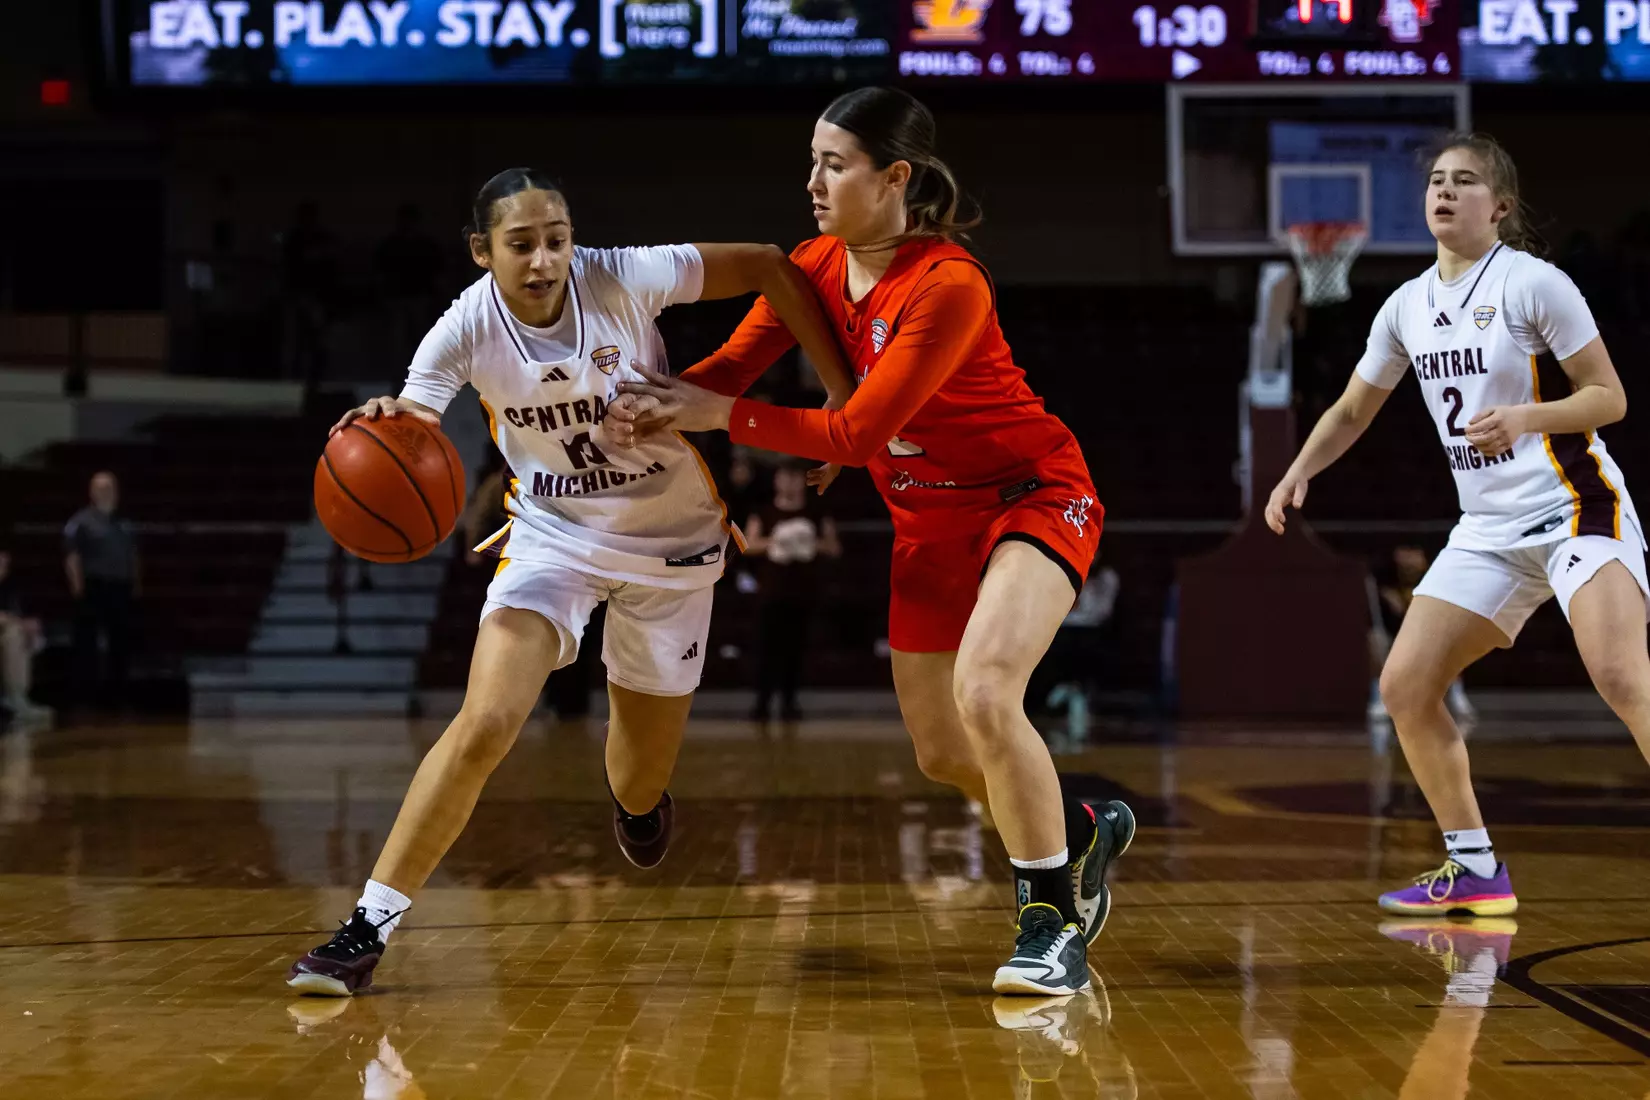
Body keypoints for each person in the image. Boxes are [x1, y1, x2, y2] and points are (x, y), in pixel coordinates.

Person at [607, 88, 1136, 996]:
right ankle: (1077, 832)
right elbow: (725, 371)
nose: (812, 181)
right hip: (926, 523)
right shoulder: (812, 265)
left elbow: (849, 434)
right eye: (811, 160)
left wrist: (722, 417)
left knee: (985, 690)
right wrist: (615, 409)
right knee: (939, 752)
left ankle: (1050, 919)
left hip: (1031, 498)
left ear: (896, 178)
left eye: (834, 164)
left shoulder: (949, 283)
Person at [286, 168, 852, 996]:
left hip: (672, 543)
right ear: (483, 252)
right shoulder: (462, 329)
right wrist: (388, 422)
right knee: (484, 723)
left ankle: (638, 803)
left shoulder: (622, 273)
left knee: (638, 777)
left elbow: (772, 263)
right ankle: (366, 926)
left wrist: (841, 394)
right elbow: (413, 424)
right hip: (552, 539)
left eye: (557, 237)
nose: (545, 258)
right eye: (522, 244)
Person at [1265, 133, 1649, 917]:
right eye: (1437, 180)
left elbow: (1609, 398)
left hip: (1576, 503)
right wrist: (1299, 468)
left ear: (1499, 206)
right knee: (1406, 687)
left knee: (1618, 674)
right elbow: (1350, 410)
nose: (1445, 191)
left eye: (1465, 181)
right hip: (1487, 527)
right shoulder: (1406, 304)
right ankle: (1474, 870)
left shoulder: (1535, 283)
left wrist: (1525, 418)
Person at [744, 462, 841, 721]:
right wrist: (776, 541)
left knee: (795, 650)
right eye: (785, 477)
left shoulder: (816, 511)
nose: (789, 483)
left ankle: (789, 702)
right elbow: (748, 544)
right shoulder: (764, 512)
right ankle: (762, 703)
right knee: (766, 648)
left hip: (803, 592)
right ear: (777, 480)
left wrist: (810, 544)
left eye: (795, 478)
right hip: (771, 592)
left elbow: (833, 546)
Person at [1369, 546, 1475, 726]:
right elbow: (1378, 621)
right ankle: (1380, 698)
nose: (1408, 560)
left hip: (1428, 636)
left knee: (1455, 640)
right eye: (1404, 553)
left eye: (1413, 554)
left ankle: (1457, 696)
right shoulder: (1384, 582)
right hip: (1396, 636)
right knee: (1375, 641)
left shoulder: (1436, 578)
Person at [64, 471, 139, 711]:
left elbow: (134, 556)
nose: (107, 492)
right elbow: (72, 557)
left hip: (121, 587)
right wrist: (78, 590)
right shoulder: (80, 522)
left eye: (111, 488)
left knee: (121, 643)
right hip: (94, 587)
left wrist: (136, 584)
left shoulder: (126, 523)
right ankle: (85, 697)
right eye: (102, 488)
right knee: (87, 645)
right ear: (92, 492)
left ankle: (118, 695)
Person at [0, 548, 51, 728]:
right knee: (15, 632)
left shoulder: (9, 589)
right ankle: (15, 698)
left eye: (5, 565)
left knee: (17, 635)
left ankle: (17, 697)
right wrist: (19, 623)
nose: (3, 569)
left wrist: (28, 626)